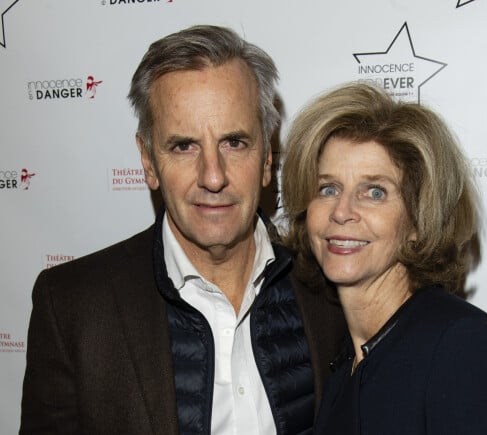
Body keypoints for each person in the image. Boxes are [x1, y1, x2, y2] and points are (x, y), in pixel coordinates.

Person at [19, 25, 346, 435]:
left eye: (234, 142)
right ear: (148, 160)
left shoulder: (328, 284)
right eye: (183, 146)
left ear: (266, 155)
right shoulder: (72, 306)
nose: (213, 176)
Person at [281, 82, 487, 434]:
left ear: (418, 220)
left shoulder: (465, 347)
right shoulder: (343, 363)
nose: (342, 212)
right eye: (329, 188)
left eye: (374, 192)